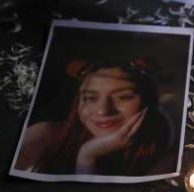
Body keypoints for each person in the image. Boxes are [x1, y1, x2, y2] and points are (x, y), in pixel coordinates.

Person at [15, 59, 175, 176]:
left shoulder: (163, 160)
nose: (103, 111)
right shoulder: (45, 134)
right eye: (91, 98)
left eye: (122, 97)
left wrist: (87, 156)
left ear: (147, 102)